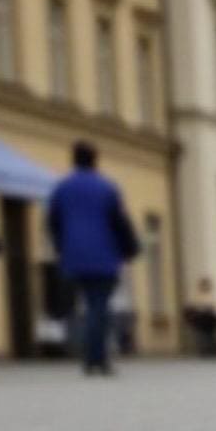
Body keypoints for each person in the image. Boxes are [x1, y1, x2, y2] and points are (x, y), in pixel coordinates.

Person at [45, 140, 138, 377]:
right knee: (100, 306)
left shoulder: (62, 187)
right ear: (95, 159)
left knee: (86, 303)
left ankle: (90, 355)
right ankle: (97, 358)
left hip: (74, 255)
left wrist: (60, 247)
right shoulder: (106, 187)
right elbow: (119, 221)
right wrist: (129, 248)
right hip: (104, 255)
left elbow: (53, 222)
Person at [184, 278, 216, 355]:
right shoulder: (196, 296)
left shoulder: (213, 295)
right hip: (202, 320)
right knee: (205, 333)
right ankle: (208, 347)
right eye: (204, 286)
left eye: (206, 286)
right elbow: (192, 308)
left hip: (212, 320)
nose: (205, 287)